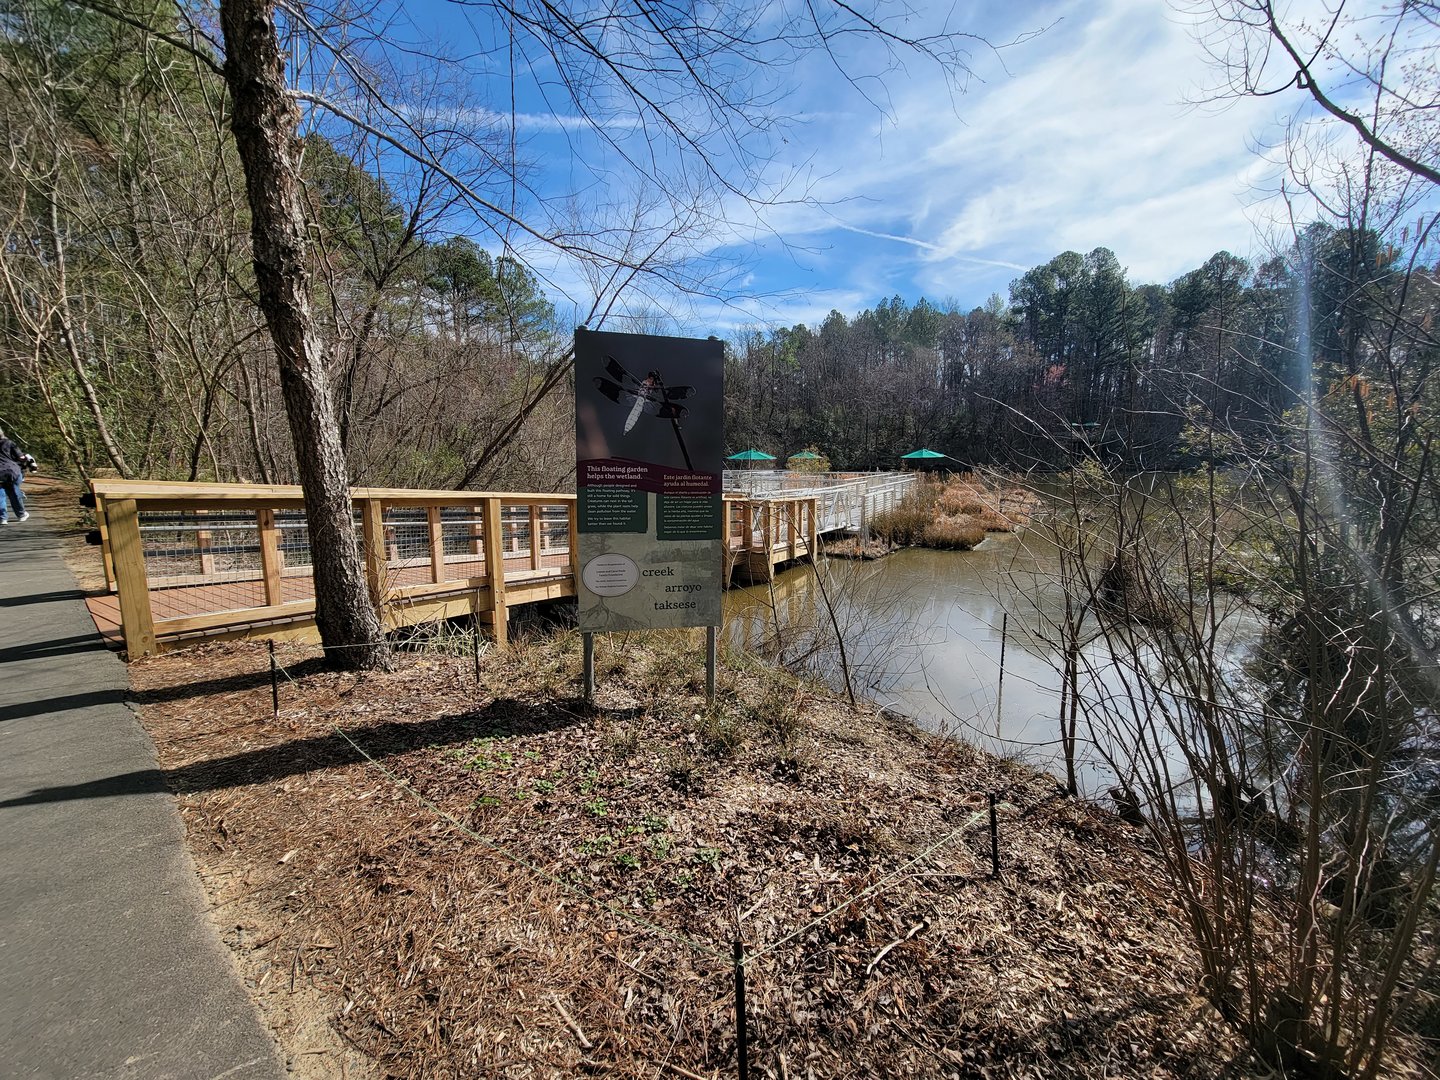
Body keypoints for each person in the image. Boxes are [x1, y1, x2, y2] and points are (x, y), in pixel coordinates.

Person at [0, 429, 33, 524]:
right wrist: (27, 457)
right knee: (14, 492)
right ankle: (21, 514)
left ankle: (3, 518)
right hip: (11, 471)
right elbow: (21, 457)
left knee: (0, 495)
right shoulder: (9, 443)